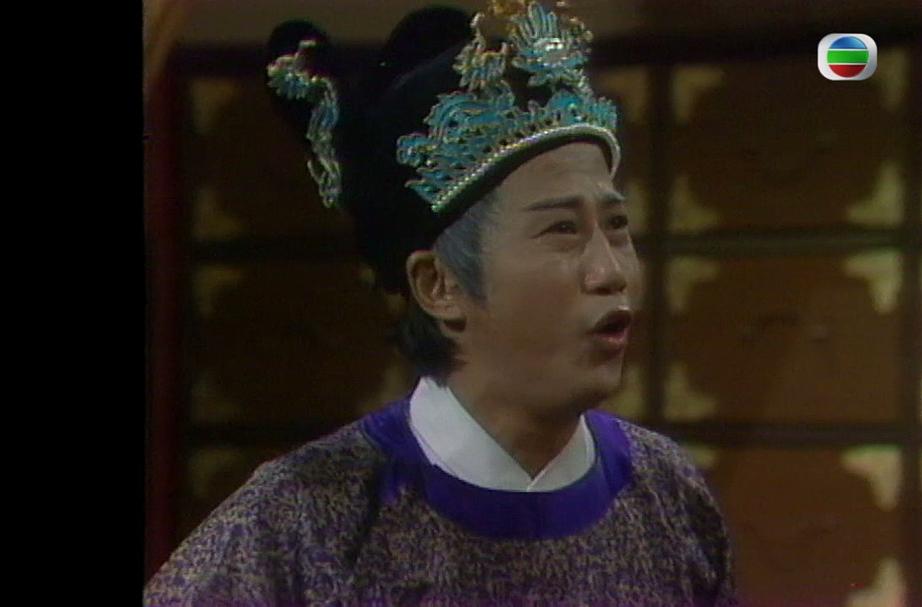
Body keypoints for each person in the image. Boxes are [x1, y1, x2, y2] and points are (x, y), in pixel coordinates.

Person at [145, 1, 737, 604]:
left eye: (616, 226)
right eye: (562, 230)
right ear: (438, 284)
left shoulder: (667, 494)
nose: (610, 272)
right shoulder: (302, 522)